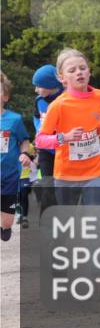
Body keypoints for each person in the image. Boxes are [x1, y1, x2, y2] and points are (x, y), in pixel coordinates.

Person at [35, 49, 100, 206]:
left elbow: (99, 114)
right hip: (67, 175)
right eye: (72, 70)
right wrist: (64, 137)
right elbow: (40, 141)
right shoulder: (58, 106)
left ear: (89, 72)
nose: (79, 73)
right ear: (62, 78)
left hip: (95, 170)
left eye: (82, 68)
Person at [1, 72, 31, 242]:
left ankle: (4, 226)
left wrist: (25, 153)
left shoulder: (14, 119)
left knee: (7, 223)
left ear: (5, 96)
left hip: (9, 176)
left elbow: (24, 140)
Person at [31, 64, 62, 215]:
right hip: (46, 150)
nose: (36, 90)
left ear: (51, 84)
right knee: (48, 184)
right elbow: (36, 117)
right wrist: (39, 129)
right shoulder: (39, 100)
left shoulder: (66, 99)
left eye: (39, 86)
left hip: (63, 150)